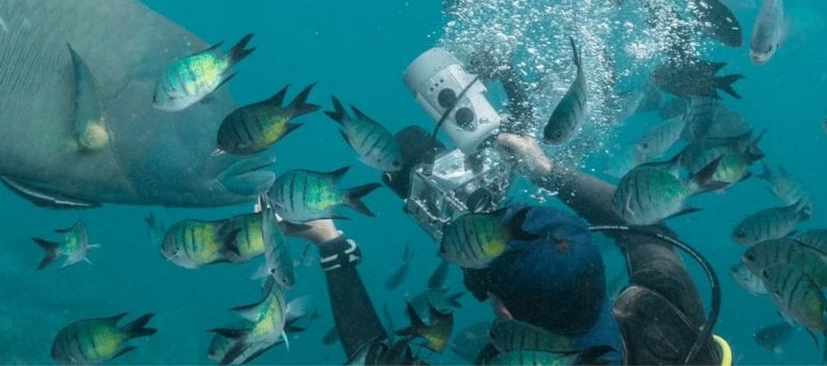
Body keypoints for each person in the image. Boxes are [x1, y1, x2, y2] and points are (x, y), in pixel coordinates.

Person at [296, 55, 726, 365]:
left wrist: (330, 243)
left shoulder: (667, 303)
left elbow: (373, 360)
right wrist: (546, 169)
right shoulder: (666, 320)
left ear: (505, 312)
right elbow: (644, 228)